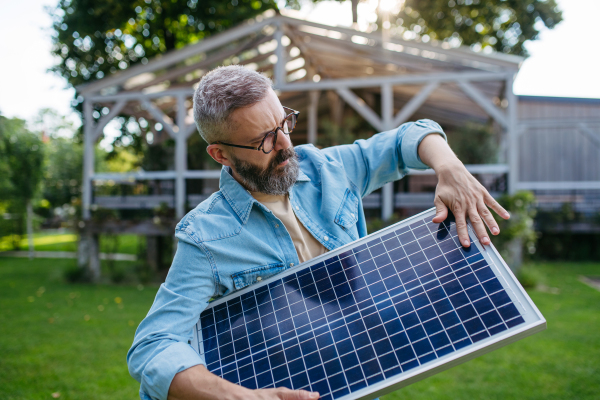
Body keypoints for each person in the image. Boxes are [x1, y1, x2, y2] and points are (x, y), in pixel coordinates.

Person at [127, 65, 510, 400]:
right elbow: (153, 346)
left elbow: (408, 137)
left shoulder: (329, 168)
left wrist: (450, 168)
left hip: (362, 378)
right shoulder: (205, 237)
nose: (285, 145)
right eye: (264, 140)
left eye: (284, 124)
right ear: (220, 154)